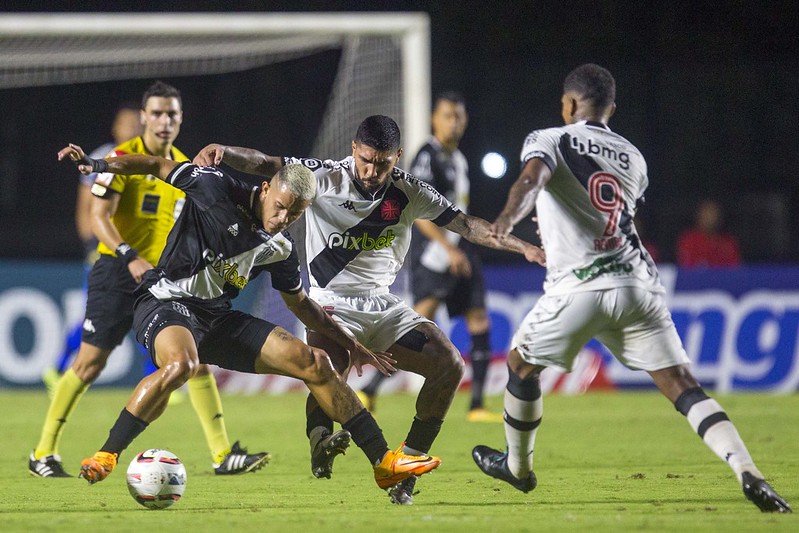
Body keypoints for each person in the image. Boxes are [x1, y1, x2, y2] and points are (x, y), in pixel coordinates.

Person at [471, 63, 791, 513]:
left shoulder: (549, 137)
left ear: (568, 104)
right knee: (682, 384)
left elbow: (532, 179)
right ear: (612, 109)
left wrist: (507, 220)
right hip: (638, 283)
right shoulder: (634, 157)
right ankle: (748, 471)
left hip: (579, 286)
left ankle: (517, 469)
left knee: (522, 365)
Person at [193, 115, 545, 504]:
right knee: (331, 364)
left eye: (382, 163)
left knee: (449, 363)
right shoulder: (325, 176)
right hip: (329, 301)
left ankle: (406, 467)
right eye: (365, 159)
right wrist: (225, 153)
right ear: (353, 150)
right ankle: (320, 437)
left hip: (383, 304)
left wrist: (523, 246)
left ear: (397, 156)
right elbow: (267, 164)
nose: (372, 171)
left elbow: (468, 225)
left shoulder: (410, 191)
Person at [59, 144, 441, 495]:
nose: (283, 217)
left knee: (316, 363)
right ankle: (107, 454)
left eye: (296, 213)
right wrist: (98, 165)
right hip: (165, 303)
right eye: (280, 205)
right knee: (182, 364)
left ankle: (383, 462)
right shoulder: (213, 186)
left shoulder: (281, 248)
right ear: (264, 190)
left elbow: (301, 305)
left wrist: (351, 343)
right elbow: (156, 165)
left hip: (216, 320)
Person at [29, 81, 269, 479]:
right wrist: (130, 257)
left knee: (197, 359)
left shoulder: (182, 165)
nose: (164, 121)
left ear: (180, 119)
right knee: (90, 363)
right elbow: (98, 218)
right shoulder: (123, 158)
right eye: (157, 113)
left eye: (171, 114)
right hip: (118, 272)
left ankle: (222, 453)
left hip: (163, 281)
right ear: (143, 118)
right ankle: (43, 453)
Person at [357, 92, 502, 423]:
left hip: (459, 250)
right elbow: (418, 211)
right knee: (416, 325)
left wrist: (460, 246)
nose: (455, 122)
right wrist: (449, 248)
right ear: (434, 119)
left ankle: (477, 404)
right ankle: (369, 388)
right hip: (434, 254)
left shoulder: (459, 159)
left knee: (479, 318)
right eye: (448, 115)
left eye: (460, 116)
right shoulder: (428, 156)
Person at [42, 103, 144, 393]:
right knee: (96, 313)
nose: (133, 128)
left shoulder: (147, 158)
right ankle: (59, 366)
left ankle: (156, 376)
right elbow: (86, 206)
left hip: (138, 248)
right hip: (105, 248)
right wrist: (91, 242)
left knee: (147, 305)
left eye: (137, 123)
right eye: (127, 123)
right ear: (116, 128)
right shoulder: (100, 157)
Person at [676, 199, 741, 267]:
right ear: (699, 216)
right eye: (707, 214)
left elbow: (735, 270)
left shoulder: (728, 242)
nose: (710, 218)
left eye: (714, 214)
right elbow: (688, 267)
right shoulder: (689, 240)